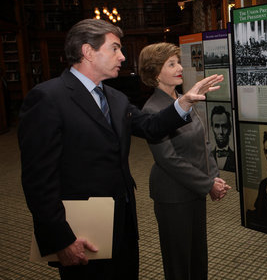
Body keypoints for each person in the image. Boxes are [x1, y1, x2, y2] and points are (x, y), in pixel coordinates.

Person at [18, 19, 223, 280]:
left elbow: (150, 126)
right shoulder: (48, 98)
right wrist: (60, 238)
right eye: (115, 49)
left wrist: (182, 103)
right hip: (80, 226)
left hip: (123, 219)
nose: (123, 57)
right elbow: (38, 180)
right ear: (88, 51)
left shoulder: (115, 98)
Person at [138, 42, 231, 280]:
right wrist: (207, 184)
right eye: (172, 64)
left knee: (198, 258)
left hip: (194, 191)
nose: (180, 67)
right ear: (155, 72)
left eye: (178, 62)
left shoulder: (184, 99)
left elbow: (203, 140)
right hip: (173, 197)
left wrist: (214, 178)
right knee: (179, 263)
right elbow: (168, 159)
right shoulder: (152, 110)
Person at [210, 105, 236, 172]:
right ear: (212, 128)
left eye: (224, 126)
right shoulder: (208, 156)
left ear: (230, 129)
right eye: (217, 126)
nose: (221, 132)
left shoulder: (235, 157)